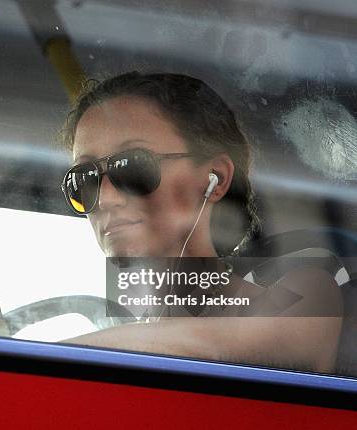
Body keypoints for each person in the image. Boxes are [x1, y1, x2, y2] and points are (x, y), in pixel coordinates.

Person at [59, 72, 343, 373]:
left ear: (216, 178)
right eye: (84, 180)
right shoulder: (127, 334)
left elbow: (219, 348)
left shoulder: (305, 292)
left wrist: (42, 357)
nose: (105, 199)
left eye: (132, 166)